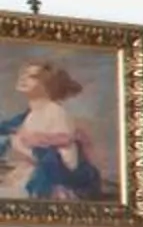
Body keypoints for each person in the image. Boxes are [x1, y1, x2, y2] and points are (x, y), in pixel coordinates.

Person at [1, 59, 107, 200]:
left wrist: (19, 145)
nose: (23, 79)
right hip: (31, 173)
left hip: (54, 181)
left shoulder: (55, 112)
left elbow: (66, 162)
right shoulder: (30, 114)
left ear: (48, 84)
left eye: (33, 77)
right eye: (24, 74)